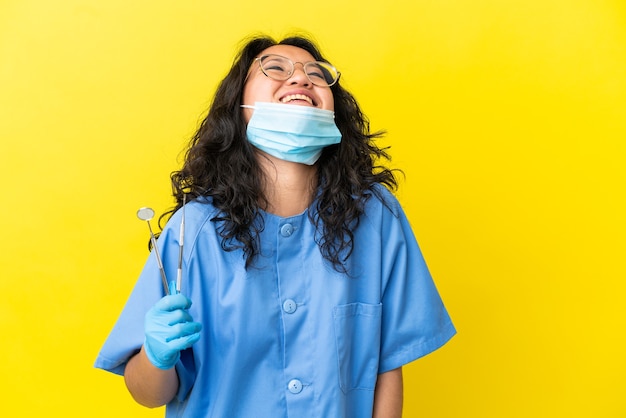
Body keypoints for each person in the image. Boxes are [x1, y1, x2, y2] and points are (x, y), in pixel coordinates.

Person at [95, 33, 456, 418]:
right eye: (275, 68)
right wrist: (156, 355)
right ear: (240, 105)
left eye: (316, 73)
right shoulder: (194, 231)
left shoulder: (376, 217)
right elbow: (148, 394)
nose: (301, 78)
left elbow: (387, 365)